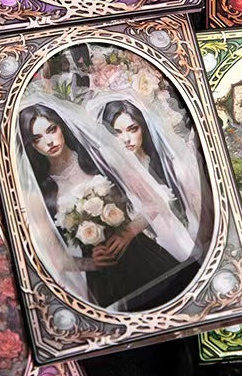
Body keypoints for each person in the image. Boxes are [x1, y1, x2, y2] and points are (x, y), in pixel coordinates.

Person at [17, 98, 196, 311]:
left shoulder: (101, 157)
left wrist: (127, 233)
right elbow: (57, 259)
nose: (49, 141)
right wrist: (92, 263)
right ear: (31, 145)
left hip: (141, 255)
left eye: (51, 130)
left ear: (61, 126)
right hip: (104, 280)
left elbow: (153, 201)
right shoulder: (37, 192)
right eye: (37, 138)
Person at [98, 96, 214, 262]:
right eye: (117, 133)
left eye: (132, 129)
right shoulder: (117, 172)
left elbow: (199, 210)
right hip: (155, 251)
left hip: (190, 239)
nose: (126, 139)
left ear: (144, 127)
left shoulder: (173, 166)